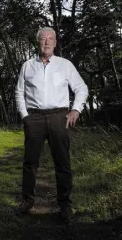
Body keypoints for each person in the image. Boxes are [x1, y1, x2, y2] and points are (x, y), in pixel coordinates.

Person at [14, 26, 88, 221]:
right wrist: (25, 116)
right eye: (43, 39)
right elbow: (19, 92)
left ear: (55, 43)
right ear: (37, 42)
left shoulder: (65, 65)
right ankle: (27, 200)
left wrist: (76, 109)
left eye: (50, 39)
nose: (46, 42)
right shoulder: (27, 66)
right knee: (30, 163)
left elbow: (81, 88)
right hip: (35, 118)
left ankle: (65, 204)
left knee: (62, 162)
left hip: (59, 117)